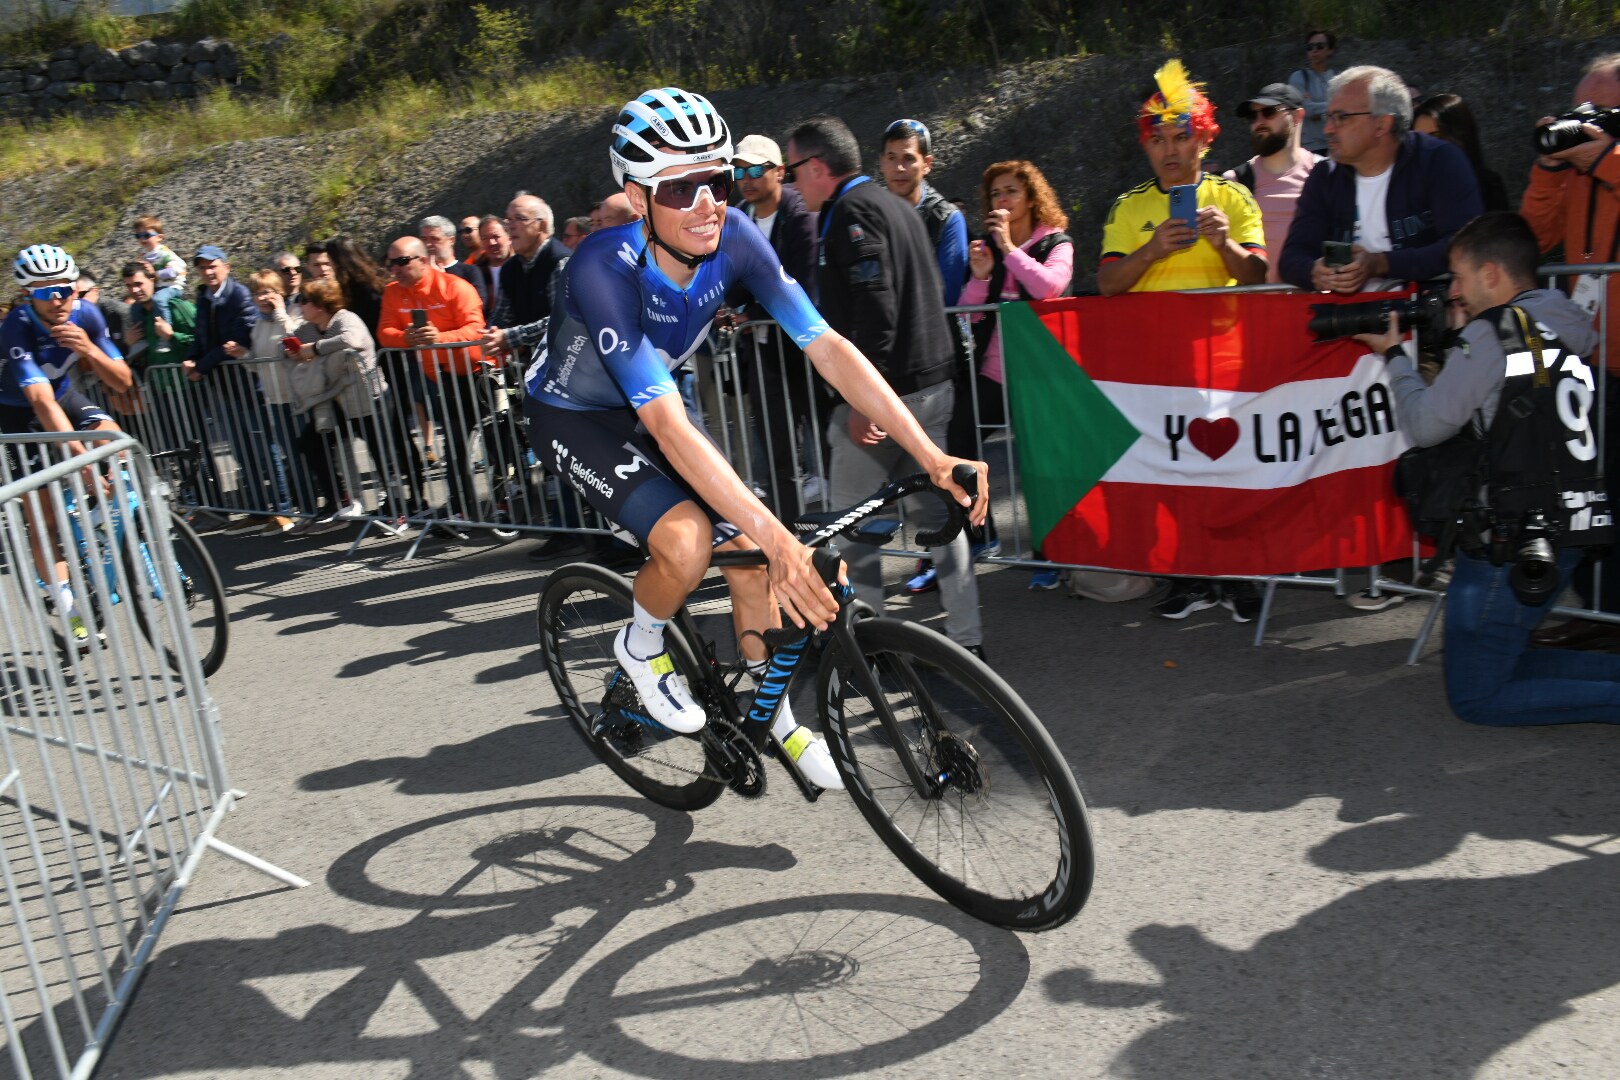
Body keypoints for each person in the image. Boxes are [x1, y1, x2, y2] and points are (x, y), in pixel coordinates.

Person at [521, 87, 986, 789]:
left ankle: (776, 720)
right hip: (577, 416)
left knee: (754, 554)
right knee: (689, 539)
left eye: (717, 178)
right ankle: (640, 646)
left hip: (656, 404)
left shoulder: (734, 235)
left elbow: (825, 344)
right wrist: (778, 538)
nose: (708, 201)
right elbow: (668, 427)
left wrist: (931, 454)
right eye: (682, 188)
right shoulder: (601, 268)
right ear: (637, 196)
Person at [1353, 211, 1620, 726]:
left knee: (1476, 696)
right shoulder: (1564, 322)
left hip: (1508, 536)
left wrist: (1394, 357)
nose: (1454, 291)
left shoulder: (1491, 334)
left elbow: (1429, 425)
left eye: (1459, 277)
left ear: (1492, 274)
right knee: (1504, 661)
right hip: (1566, 528)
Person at [786, 113, 987, 657]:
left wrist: (861, 399)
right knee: (942, 523)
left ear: (817, 166)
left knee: (854, 532)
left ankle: (861, 649)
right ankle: (968, 644)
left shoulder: (851, 211)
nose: (789, 182)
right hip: (928, 387)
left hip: (888, 398)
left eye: (792, 170)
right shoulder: (895, 205)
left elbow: (877, 308)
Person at [1098, 59, 1267, 621]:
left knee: (1231, 471)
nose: (1170, 150)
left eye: (1182, 136)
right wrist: (1150, 252)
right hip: (1156, 368)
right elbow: (1107, 284)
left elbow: (1259, 278)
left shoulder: (1234, 199)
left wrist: (1225, 247)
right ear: (1147, 147)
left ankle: (1239, 578)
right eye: (1159, 139)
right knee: (1173, 473)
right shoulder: (1128, 208)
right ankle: (1191, 578)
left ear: (1204, 137)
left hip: (1224, 364)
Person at [1521, 52, 1620, 650]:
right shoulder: (1578, 169)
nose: (1583, 120)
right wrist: (1550, 165)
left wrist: (1605, 158)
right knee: (1586, 491)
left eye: (1599, 110)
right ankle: (1598, 613)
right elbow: (1537, 234)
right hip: (1584, 357)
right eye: (1578, 108)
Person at [0, 244, 132, 645]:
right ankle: (70, 606)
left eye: (66, 288)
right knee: (45, 522)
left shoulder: (86, 314)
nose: (58, 299)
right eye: (45, 292)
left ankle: (116, 514)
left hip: (64, 393)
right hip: (15, 410)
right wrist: (81, 460)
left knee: (114, 438)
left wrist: (89, 348)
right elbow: (39, 403)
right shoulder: (15, 328)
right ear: (28, 296)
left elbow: (123, 381)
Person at [956, 159, 1074, 591]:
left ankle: (1049, 555)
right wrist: (981, 276)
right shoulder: (989, 248)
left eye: (1010, 192)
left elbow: (1049, 289)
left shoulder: (1057, 242)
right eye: (995, 195)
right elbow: (969, 313)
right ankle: (980, 535)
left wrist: (1009, 250)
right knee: (958, 440)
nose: (1001, 201)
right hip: (993, 372)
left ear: (1031, 198)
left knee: (1041, 467)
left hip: (1041, 375)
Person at [1280, 66, 1484, 299]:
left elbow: (1463, 246)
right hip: (1346, 325)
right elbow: (1292, 257)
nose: (1328, 129)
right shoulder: (1324, 176)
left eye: (1341, 118)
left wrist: (1381, 264)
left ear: (1382, 125)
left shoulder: (1439, 161)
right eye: (1329, 117)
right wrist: (1314, 272)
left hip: (1427, 321)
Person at [727, 132, 823, 518]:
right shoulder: (735, 219)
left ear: (780, 172)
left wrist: (750, 311)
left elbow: (801, 286)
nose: (746, 179)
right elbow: (730, 280)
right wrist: (740, 307)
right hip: (764, 351)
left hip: (809, 349)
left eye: (754, 169)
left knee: (827, 443)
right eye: (738, 172)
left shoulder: (801, 215)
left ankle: (848, 536)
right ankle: (793, 534)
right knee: (776, 449)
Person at [376, 236, 485, 526]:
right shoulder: (392, 293)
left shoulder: (456, 287)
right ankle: (462, 506)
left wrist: (440, 339)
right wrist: (405, 338)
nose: (394, 270)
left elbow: (476, 330)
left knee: (494, 440)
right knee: (454, 442)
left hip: (476, 373)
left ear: (422, 261)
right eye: (391, 264)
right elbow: (385, 332)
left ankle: (506, 496)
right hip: (437, 378)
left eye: (400, 262)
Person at [288, 278, 411, 531]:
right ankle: (337, 499)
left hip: (369, 397)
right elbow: (292, 344)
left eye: (305, 301)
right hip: (336, 400)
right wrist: (291, 351)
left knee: (382, 454)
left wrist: (315, 348)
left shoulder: (345, 318)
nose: (300, 305)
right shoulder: (309, 328)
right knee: (310, 442)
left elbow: (351, 340)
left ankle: (398, 509)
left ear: (321, 305)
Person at [1223, 82, 1322, 283]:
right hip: (1259, 309)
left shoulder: (1324, 173)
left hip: (1315, 306)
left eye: (1269, 112)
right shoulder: (1234, 183)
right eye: (1252, 116)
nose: (1259, 122)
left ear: (1297, 116)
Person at [239, 268, 305, 534]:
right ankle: (307, 509)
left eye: (268, 291)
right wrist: (243, 355)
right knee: (292, 455)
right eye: (257, 293)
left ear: (279, 292)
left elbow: (297, 341)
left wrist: (280, 314)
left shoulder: (291, 315)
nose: (263, 297)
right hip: (274, 400)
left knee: (306, 453)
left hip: (298, 396)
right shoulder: (257, 326)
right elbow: (258, 365)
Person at [120, 260, 195, 458]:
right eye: (129, 286)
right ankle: (191, 488)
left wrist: (172, 336)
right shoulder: (139, 316)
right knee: (174, 448)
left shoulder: (176, 307)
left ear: (152, 279)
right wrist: (129, 344)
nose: (134, 290)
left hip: (187, 389)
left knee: (196, 445)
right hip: (160, 391)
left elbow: (201, 341)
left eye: (138, 284)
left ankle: (209, 488)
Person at [484, 193, 570, 361]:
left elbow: (564, 320)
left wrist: (509, 337)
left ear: (542, 225)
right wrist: (490, 334)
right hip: (536, 367)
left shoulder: (560, 261)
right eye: (507, 220)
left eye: (519, 218)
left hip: (571, 366)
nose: (510, 226)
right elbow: (501, 315)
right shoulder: (510, 268)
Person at [1412, 93, 1510, 212]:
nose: (1424, 147)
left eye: (1435, 138)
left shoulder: (1488, 188)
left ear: (1460, 136)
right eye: (1417, 139)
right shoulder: (1410, 194)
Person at [420, 213, 489, 315]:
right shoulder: (418, 275)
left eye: (434, 239)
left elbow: (479, 307)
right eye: (424, 239)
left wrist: (441, 279)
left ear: (451, 240)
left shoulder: (470, 271)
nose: (428, 244)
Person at [324, 235, 387, 337]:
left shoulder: (351, 287)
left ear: (336, 261)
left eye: (329, 260)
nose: (328, 266)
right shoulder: (378, 276)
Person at [1288, 30, 1339, 154]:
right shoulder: (1299, 77)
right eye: (1310, 48)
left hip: (1337, 144)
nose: (1314, 51)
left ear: (1330, 50)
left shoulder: (1338, 78)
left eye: (1320, 46)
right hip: (1312, 148)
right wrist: (1335, 106)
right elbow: (1306, 109)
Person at [132, 214, 186, 291]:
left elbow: (175, 271)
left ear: (159, 237)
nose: (142, 239)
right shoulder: (144, 256)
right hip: (157, 288)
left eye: (146, 235)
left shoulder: (164, 253)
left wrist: (155, 273)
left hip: (170, 287)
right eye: (138, 236)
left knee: (158, 300)